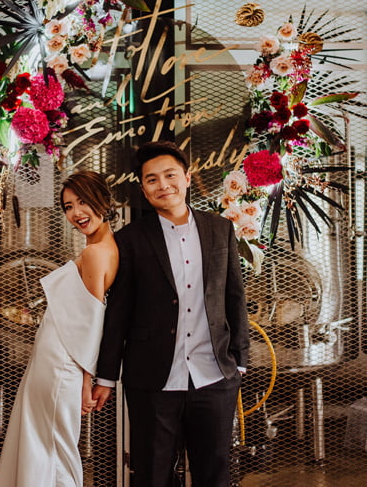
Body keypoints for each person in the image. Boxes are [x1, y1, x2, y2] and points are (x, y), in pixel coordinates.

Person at [92, 141, 249, 487]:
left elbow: (235, 297)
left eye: (170, 175)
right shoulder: (129, 240)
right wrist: (105, 376)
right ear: (143, 188)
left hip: (214, 376)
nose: (163, 185)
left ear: (187, 178)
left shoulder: (220, 229)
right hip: (152, 379)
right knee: (152, 474)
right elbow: (117, 313)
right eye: (152, 180)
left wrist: (238, 362)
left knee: (215, 473)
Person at [0, 170, 119, 487]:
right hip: (55, 361)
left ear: (102, 200)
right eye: (67, 206)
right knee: (45, 443)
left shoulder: (95, 253)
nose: (76, 213)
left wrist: (87, 381)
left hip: (62, 364)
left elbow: (90, 322)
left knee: (51, 446)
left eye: (83, 202)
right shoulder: (106, 247)